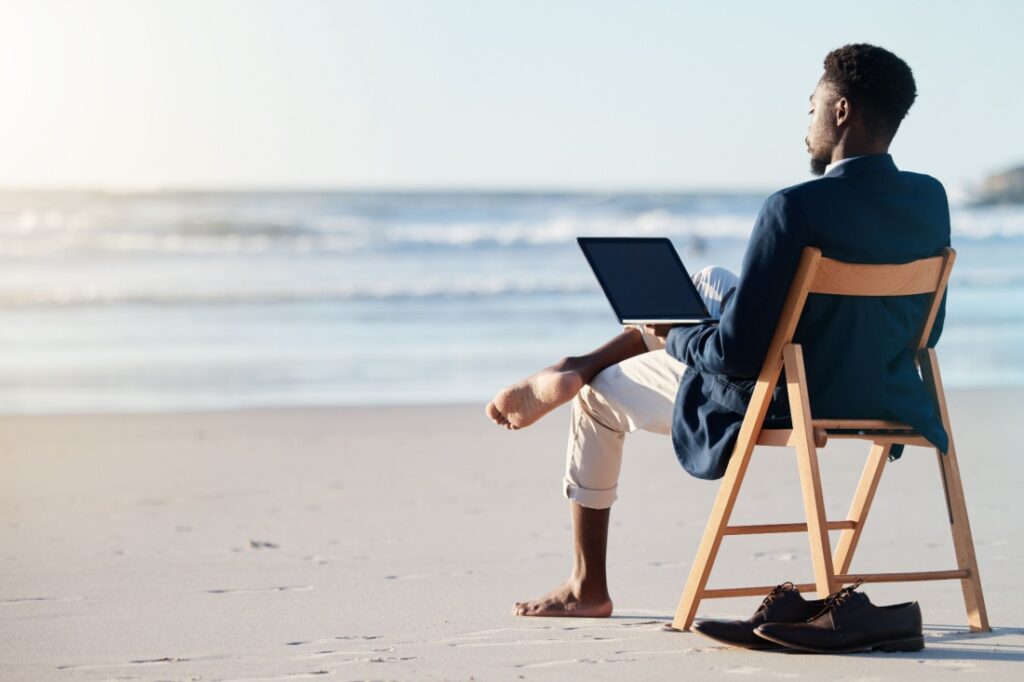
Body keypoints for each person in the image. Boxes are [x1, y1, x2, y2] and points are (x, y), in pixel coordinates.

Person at [485, 44, 950, 619]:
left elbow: (735, 355)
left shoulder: (792, 207)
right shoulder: (931, 200)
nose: (805, 123)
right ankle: (590, 358)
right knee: (709, 279)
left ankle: (588, 584)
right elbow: (929, 329)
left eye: (811, 108)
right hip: (883, 390)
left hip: (789, 395)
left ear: (841, 111)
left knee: (598, 398)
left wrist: (676, 334)